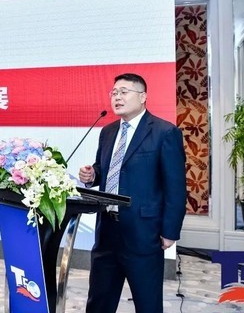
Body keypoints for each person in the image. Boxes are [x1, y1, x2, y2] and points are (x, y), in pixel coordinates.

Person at [78, 73, 186, 313]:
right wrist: (92, 175)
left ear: (143, 96)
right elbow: (105, 169)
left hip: (143, 232)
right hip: (107, 229)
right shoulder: (107, 132)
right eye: (114, 93)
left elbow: (176, 187)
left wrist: (170, 231)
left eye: (124, 92)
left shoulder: (164, 132)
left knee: (147, 304)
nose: (117, 97)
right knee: (99, 301)